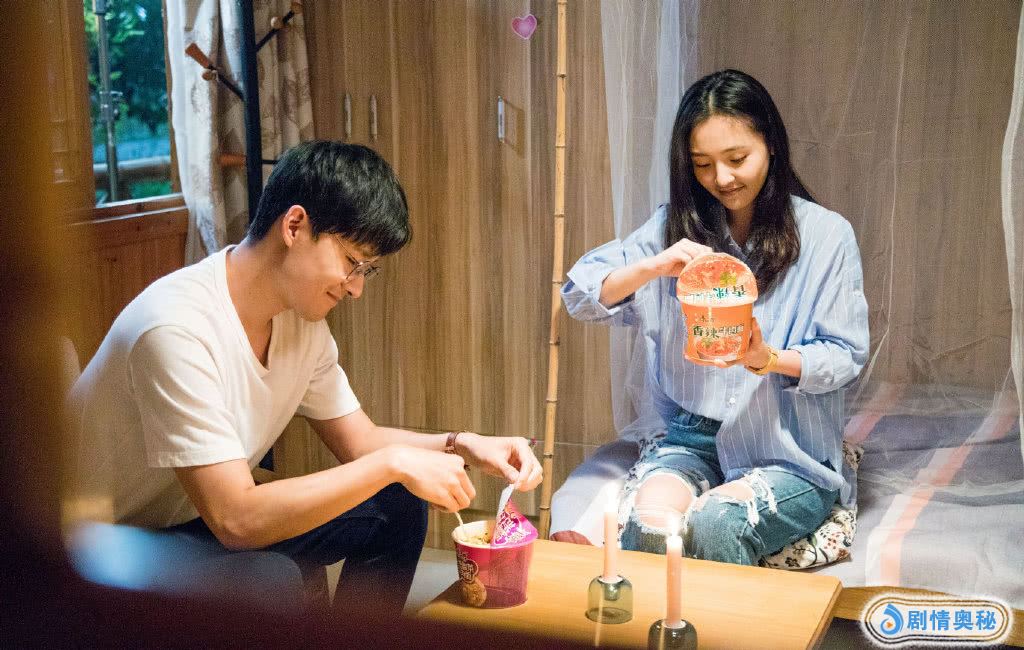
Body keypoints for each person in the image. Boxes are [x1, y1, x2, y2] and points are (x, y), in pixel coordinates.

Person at [68, 140, 543, 616]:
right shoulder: (175, 328)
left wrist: (464, 444)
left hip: (194, 522)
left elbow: (361, 442)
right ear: (294, 226)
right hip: (102, 545)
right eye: (352, 263)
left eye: (368, 271)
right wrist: (394, 462)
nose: (356, 289)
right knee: (268, 579)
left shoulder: (302, 327)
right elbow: (236, 520)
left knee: (398, 500)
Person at [556, 69, 869, 565]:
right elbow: (578, 294)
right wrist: (653, 266)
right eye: (702, 164)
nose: (721, 179)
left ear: (771, 145)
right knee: (650, 527)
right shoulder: (673, 228)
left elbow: (845, 355)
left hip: (785, 445)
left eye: (737, 159)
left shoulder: (826, 236)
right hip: (690, 437)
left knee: (716, 524)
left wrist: (768, 359)